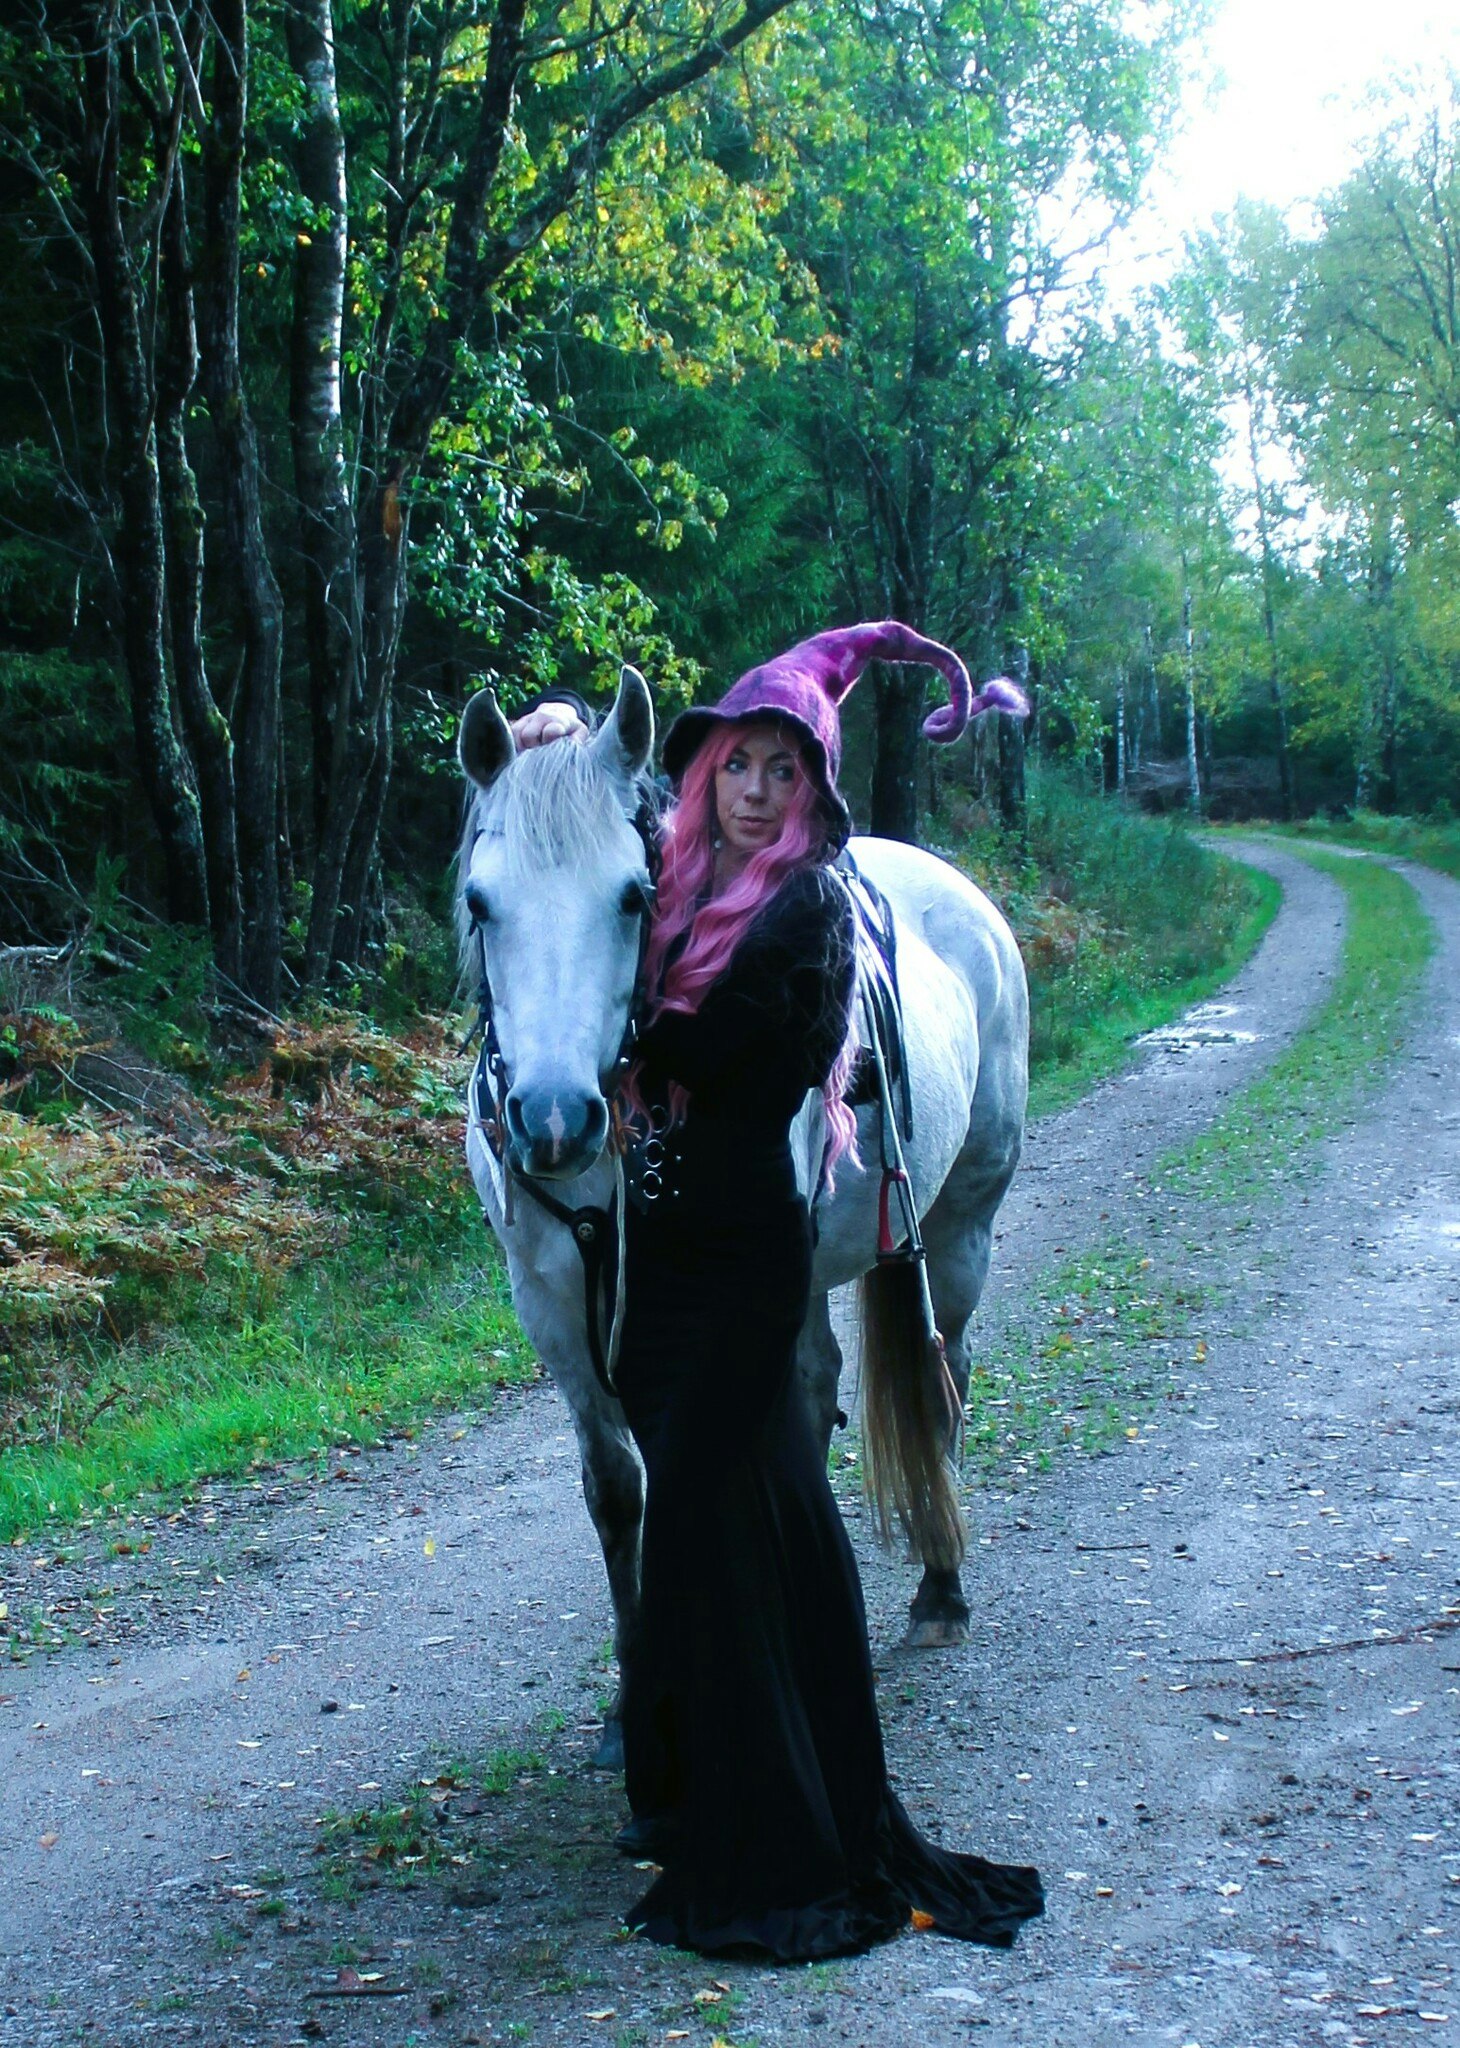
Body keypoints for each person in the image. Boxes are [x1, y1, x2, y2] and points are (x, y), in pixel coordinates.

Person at [517, 625, 1043, 1961]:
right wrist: (552, 731)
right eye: (737, 765)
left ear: (813, 793)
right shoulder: (679, 879)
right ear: (706, 783)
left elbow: (730, 1065)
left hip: (753, 1254)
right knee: (739, 1517)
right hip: (674, 1267)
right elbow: (577, 856)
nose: (756, 788)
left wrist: (640, 1046)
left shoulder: (806, 916)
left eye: (782, 770)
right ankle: (720, 1790)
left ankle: (774, 1813)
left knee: (734, 1510)